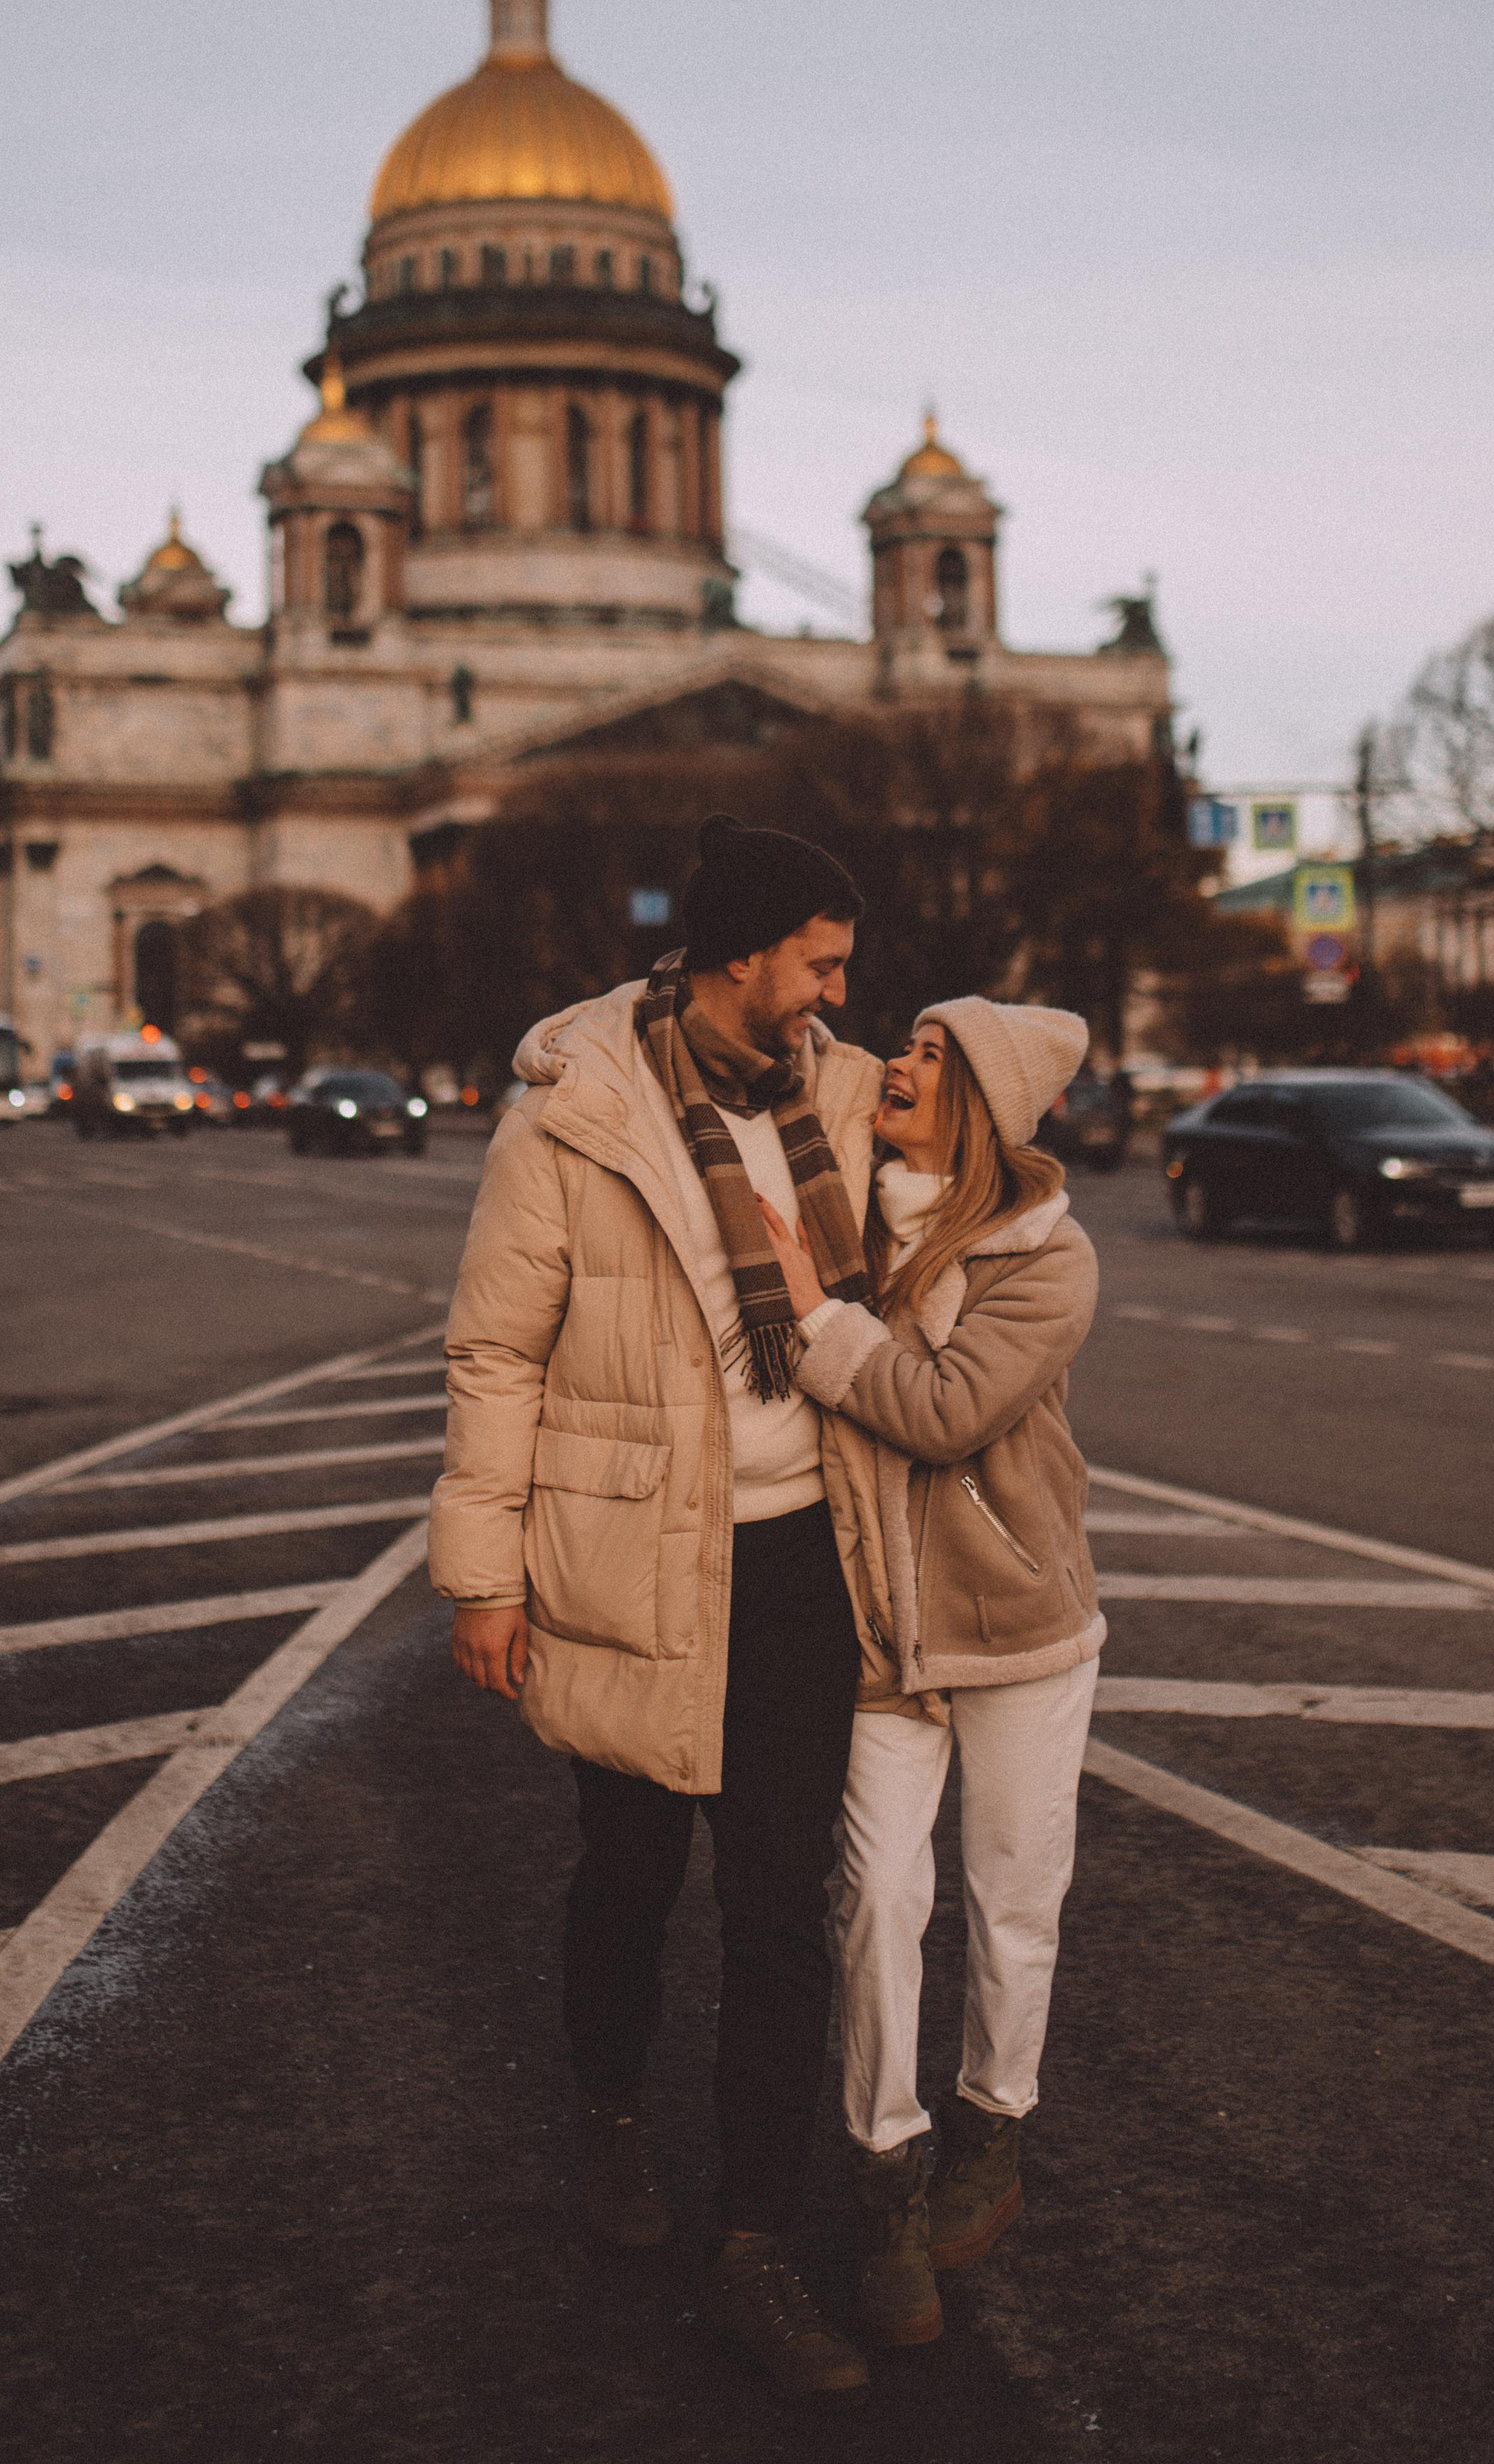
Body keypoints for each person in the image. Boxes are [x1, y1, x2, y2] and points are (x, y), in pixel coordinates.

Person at [430, 815, 888, 2399]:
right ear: (738, 956)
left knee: (776, 1912)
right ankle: (610, 2109)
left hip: (798, 1563)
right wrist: (481, 1575)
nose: (839, 988)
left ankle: (754, 2244)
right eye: (819, 960)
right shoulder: (575, 1116)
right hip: (623, 1556)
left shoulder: (838, 1092)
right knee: (626, 1873)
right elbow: (497, 1350)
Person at [756, 996, 1099, 2349]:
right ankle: (884, 2170)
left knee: (1013, 1899)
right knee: (876, 1897)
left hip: (1017, 1623)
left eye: (932, 1057)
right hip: (884, 1627)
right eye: (902, 1043)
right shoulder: (853, 1214)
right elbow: (756, 1044)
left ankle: (992, 2131)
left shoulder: (1047, 1257)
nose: (898, 1064)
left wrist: (812, 1312)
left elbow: (948, 1409)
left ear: (990, 1103)